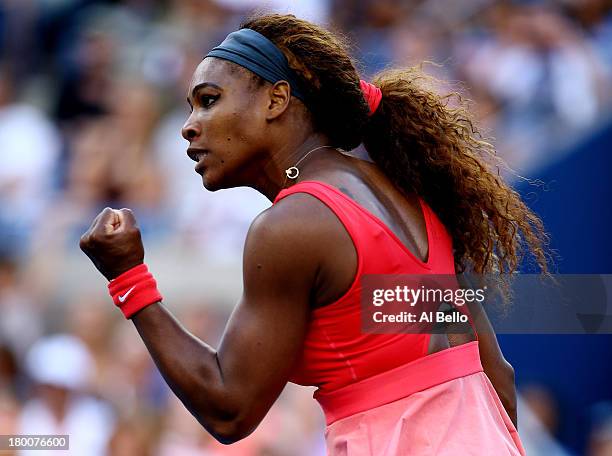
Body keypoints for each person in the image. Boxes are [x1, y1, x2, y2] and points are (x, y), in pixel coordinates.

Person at [79, 14, 549, 455]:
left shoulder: (294, 226)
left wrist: (128, 277)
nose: (188, 126)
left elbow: (229, 407)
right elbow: (495, 376)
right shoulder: (407, 194)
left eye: (209, 100)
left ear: (275, 100)